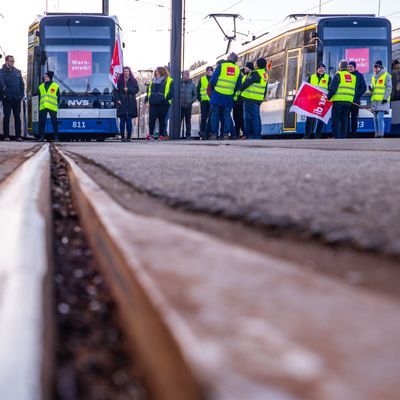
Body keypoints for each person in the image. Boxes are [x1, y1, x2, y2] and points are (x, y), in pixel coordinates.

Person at [209, 52, 242, 140]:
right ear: (235, 60)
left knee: (214, 115)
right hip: (229, 96)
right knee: (227, 115)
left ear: (228, 58)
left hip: (217, 94)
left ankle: (214, 134)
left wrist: (213, 90)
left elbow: (212, 80)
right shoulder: (237, 70)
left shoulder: (221, 66)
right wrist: (231, 91)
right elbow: (239, 85)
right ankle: (226, 134)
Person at [239, 58, 268, 140]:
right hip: (258, 99)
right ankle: (257, 134)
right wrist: (262, 98)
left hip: (250, 98)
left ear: (257, 65)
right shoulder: (265, 74)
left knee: (249, 118)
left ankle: (252, 135)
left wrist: (239, 90)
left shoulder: (255, 73)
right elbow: (265, 88)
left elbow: (247, 83)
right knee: (256, 117)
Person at [327, 60, 356, 139]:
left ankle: (337, 136)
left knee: (336, 120)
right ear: (347, 67)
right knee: (345, 119)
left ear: (340, 67)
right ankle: (343, 136)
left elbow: (333, 88)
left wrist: (328, 97)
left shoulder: (338, 75)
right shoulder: (353, 77)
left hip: (338, 101)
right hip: (348, 101)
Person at [145, 67, 173, 140]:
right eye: (155, 72)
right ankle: (151, 134)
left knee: (162, 119)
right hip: (153, 103)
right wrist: (147, 99)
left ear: (161, 72)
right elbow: (149, 91)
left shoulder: (169, 80)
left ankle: (161, 135)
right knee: (152, 119)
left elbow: (171, 92)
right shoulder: (152, 82)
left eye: (157, 71)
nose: (156, 73)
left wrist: (165, 99)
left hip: (163, 104)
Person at [0, 55, 25, 141]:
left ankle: (18, 136)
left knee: (17, 117)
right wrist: (3, 95)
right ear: (6, 61)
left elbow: (22, 84)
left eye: (13, 61)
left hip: (17, 98)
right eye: (11, 61)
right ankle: (6, 136)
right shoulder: (1, 72)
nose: (12, 62)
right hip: (7, 99)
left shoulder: (17, 72)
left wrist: (21, 95)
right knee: (6, 117)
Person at [305, 63, 331, 139]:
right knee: (309, 119)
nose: (321, 69)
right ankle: (307, 136)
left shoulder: (328, 78)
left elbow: (330, 89)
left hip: (322, 101)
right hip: (312, 101)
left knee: (320, 120)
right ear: (317, 69)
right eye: (320, 68)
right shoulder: (311, 77)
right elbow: (306, 88)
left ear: (325, 70)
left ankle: (317, 136)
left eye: (323, 68)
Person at [115, 66, 139, 142]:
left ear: (129, 72)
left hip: (130, 103)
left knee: (129, 120)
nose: (126, 73)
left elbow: (136, 90)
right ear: (123, 72)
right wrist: (118, 99)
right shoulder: (119, 81)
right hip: (122, 102)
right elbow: (115, 91)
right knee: (122, 121)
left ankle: (129, 137)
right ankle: (122, 136)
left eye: (127, 71)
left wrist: (128, 89)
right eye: (125, 71)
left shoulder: (133, 81)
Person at [370, 60, 392, 138]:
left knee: (379, 117)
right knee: (375, 119)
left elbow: (388, 88)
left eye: (376, 68)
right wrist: (371, 89)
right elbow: (375, 89)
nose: (375, 69)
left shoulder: (386, 75)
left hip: (383, 101)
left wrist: (385, 98)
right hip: (375, 101)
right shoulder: (373, 77)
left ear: (380, 68)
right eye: (374, 68)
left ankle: (381, 134)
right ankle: (376, 134)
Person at [233, 62, 253, 139]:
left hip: (239, 102)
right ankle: (238, 134)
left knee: (238, 119)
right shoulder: (243, 79)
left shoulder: (243, 79)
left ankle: (239, 134)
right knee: (238, 119)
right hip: (238, 102)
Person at [38, 71, 60, 142]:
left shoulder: (55, 86)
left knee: (54, 122)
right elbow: (39, 97)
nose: (45, 77)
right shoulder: (41, 86)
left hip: (52, 107)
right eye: (45, 76)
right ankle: (41, 137)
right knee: (42, 123)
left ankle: (56, 137)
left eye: (46, 76)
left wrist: (56, 105)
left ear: (50, 77)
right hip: (43, 107)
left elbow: (58, 97)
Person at [347, 61, 367, 138]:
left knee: (354, 118)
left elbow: (363, 88)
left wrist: (356, 96)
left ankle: (354, 134)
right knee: (346, 118)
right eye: (348, 67)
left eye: (351, 67)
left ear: (355, 68)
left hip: (355, 101)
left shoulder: (359, 75)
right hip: (347, 101)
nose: (349, 68)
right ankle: (347, 133)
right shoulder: (346, 75)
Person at [197, 66, 213, 139]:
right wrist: (200, 99)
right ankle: (202, 131)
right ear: (206, 71)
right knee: (203, 117)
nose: (209, 71)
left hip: (212, 101)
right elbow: (198, 89)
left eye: (210, 70)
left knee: (211, 117)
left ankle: (210, 132)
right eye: (208, 70)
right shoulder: (202, 79)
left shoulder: (214, 79)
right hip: (204, 102)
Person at [180, 70, 197, 140]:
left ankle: (188, 135)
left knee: (188, 121)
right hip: (179, 106)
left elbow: (195, 95)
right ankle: (177, 135)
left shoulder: (192, 84)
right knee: (179, 122)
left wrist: (191, 101)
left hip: (188, 105)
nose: (187, 75)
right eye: (186, 74)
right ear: (182, 75)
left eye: (188, 74)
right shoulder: (179, 83)